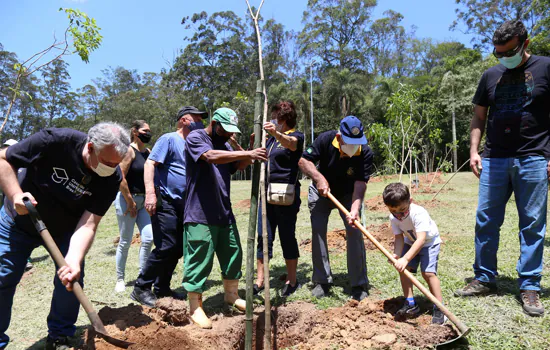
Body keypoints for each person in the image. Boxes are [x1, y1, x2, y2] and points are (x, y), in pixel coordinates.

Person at [0, 123, 130, 350]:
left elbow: (89, 223)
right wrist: (15, 195)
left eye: (116, 164)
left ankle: (60, 336)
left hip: (66, 229)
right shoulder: (55, 141)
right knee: (3, 276)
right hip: (19, 220)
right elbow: (3, 159)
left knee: (71, 279)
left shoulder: (111, 178)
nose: (112, 168)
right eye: (108, 163)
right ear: (90, 147)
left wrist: (74, 258)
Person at [454, 20, 550, 317]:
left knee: (532, 224)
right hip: (494, 158)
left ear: (525, 43)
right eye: (497, 53)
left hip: (533, 157)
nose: (502, 57)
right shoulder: (490, 75)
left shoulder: (546, 67)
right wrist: (473, 151)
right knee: (486, 220)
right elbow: (479, 117)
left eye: (508, 51)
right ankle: (484, 278)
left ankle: (530, 285)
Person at [182, 107, 267, 329]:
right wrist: (246, 154)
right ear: (215, 123)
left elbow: (237, 166)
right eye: (225, 129)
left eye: (231, 131)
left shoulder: (227, 144)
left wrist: (249, 151)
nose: (228, 134)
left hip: (223, 211)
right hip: (200, 212)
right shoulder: (196, 137)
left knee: (232, 253)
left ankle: (231, 295)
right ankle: (195, 306)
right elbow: (210, 157)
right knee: (199, 258)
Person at [131, 106, 208, 307]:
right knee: (167, 245)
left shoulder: (195, 142)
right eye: (196, 118)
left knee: (178, 248)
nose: (200, 122)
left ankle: (162, 287)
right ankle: (141, 287)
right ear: (184, 120)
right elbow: (150, 164)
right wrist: (150, 194)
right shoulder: (168, 139)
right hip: (166, 202)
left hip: (187, 204)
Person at [298, 115, 372, 301]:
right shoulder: (325, 139)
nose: (354, 147)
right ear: (339, 137)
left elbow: (360, 184)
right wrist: (319, 178)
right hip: (322, 191)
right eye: (350, 142)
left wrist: (355, 209)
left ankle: (359, 283)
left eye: (357, 142)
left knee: (355, 231)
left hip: (348, 195)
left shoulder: (365, 152)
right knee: (318, 231)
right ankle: (322, 281)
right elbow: (303, 161)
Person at [254, 101, 304, 297]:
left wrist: (276, 133)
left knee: (286, 236)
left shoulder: (295, 136)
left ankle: (292, 280)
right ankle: (260, 280)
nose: (273, 120)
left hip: (285, 196)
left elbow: (291, 145)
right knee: (263, 236)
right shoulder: (270, 140)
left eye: (276, 117)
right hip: (264, 195)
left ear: (284, 120)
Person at [383, 182, 446, 325]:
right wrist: (397, 255)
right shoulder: (393, 218)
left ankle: (439, 307)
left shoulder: (418, 213)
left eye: (402, 210)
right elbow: (399, 237)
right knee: (404, 270)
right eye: (394, 211)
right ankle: (411, 303)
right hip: (410, 242)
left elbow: (421, 239)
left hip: (429, 243)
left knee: (428, 273)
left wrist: (405, 258)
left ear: (410, 201)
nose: (399, 215)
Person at [113, 120, 154, 293]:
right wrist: (129, 201)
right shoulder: (129, 151)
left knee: (149, 238)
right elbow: (120, 177)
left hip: (143, 202)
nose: (148, 133)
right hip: (127, 200)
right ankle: (120, 279)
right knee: (125, 241)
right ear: (135, 132)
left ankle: (142, 276)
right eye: (145, 130)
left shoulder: (149, 152)